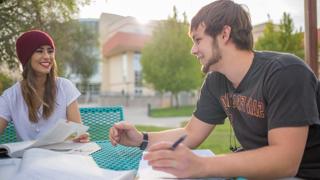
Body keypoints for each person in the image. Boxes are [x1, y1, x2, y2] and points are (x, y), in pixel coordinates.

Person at [109, 0, 320, 179]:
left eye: (198, 40)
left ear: (224, 33)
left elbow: (285, 162)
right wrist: (141, 138)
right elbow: (190, 133)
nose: (193, 50)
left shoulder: (285, 72)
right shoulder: (216, 81)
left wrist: (202, 165)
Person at [0, 30, 89, 143]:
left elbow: (77, 132)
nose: (47, 56)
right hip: (26, 159)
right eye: (39, 51)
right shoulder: (10, 96)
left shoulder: (65, 87)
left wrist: (79, 137)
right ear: (27, 58)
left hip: (62, 157)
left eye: (50, 51)